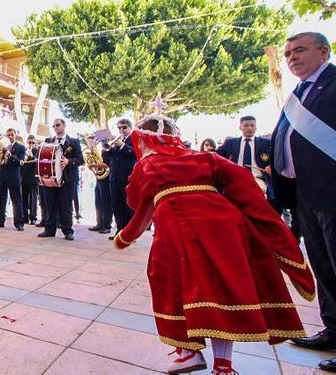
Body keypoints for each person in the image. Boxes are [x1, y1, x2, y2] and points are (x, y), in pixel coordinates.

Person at [115, 114, 315, 375]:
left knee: (170, 284)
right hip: (223, 227)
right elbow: (243, 182)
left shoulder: (148, 164)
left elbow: (138, 203)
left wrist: (125, 237)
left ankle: (187, 352)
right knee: (220, 290)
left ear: (143, 139)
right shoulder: (205, 157)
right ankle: (224, 366)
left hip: (177, 229)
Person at [270, 32, 336, 373]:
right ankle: (335, 330)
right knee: (324, 266)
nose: (291, 58)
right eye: (288, 53)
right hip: (306, 194)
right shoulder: (298, 94)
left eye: (299, 50)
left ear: (324, 51)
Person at [37, 119, 83, 240]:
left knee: (66, 205)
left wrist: (69, 161)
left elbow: (80, 160)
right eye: (54, 126)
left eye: (58, 125)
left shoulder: (73, 141)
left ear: (64, 125)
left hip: (67, 178)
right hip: (51, 178)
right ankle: (49, 229)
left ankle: (68, 231)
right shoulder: (48, 141)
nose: (55, 127)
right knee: (50, 204)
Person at [217, 115, 273, 200]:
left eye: (252, 125)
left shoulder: (266, 143)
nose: (249, 128)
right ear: (240, 127)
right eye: (246, 125)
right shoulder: (230, 143)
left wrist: (271, 167)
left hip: (258, 180)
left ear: (256, 128)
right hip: (235, 180)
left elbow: (276, 159)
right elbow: (217, 156)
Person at [0, 128, 26, 230]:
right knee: (2, 200)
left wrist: (11, 156)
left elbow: (20, 162)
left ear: (15, 135)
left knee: (16, 201)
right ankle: (0, 221)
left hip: (14, 177)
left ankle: (19, 223)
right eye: (8, 135)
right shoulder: (2, 145)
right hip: (2, 176)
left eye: (12, 135)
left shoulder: (21, 147)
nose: (10, 137)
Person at [107, 118, 137, 239]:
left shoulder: (134, 139)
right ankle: (120, 230)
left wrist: (123, 145)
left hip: (127, 177)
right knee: (116, 204)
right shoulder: (116, 141)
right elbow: (107, 157)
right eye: (119, 127)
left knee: (128, 205)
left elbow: (136, 154)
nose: (121, 130)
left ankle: (130, 233)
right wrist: (108, 147)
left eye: (124, 127)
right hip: (114, 177)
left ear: (130, 128)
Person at [85, 135, 113, 234]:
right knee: (98, 201)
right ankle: (99, 223)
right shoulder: (100, 150)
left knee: (106, 202)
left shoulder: (109, 148)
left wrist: (93, 165)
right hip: (100, 178)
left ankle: (107, 225)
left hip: (107, 178)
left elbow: (107, 164)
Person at [21, 134, 39, 225]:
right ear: (26, 142)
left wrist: (32, 156)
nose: (31, 144)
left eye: (33, 142)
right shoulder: (23, 150)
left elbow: (38, 162)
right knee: (23, 198)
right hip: (24, 177)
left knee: (33, 199)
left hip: (33, 178)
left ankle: (33, 217)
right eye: (29, 142)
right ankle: (25, 217)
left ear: (35, 142)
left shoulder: (37, 150)